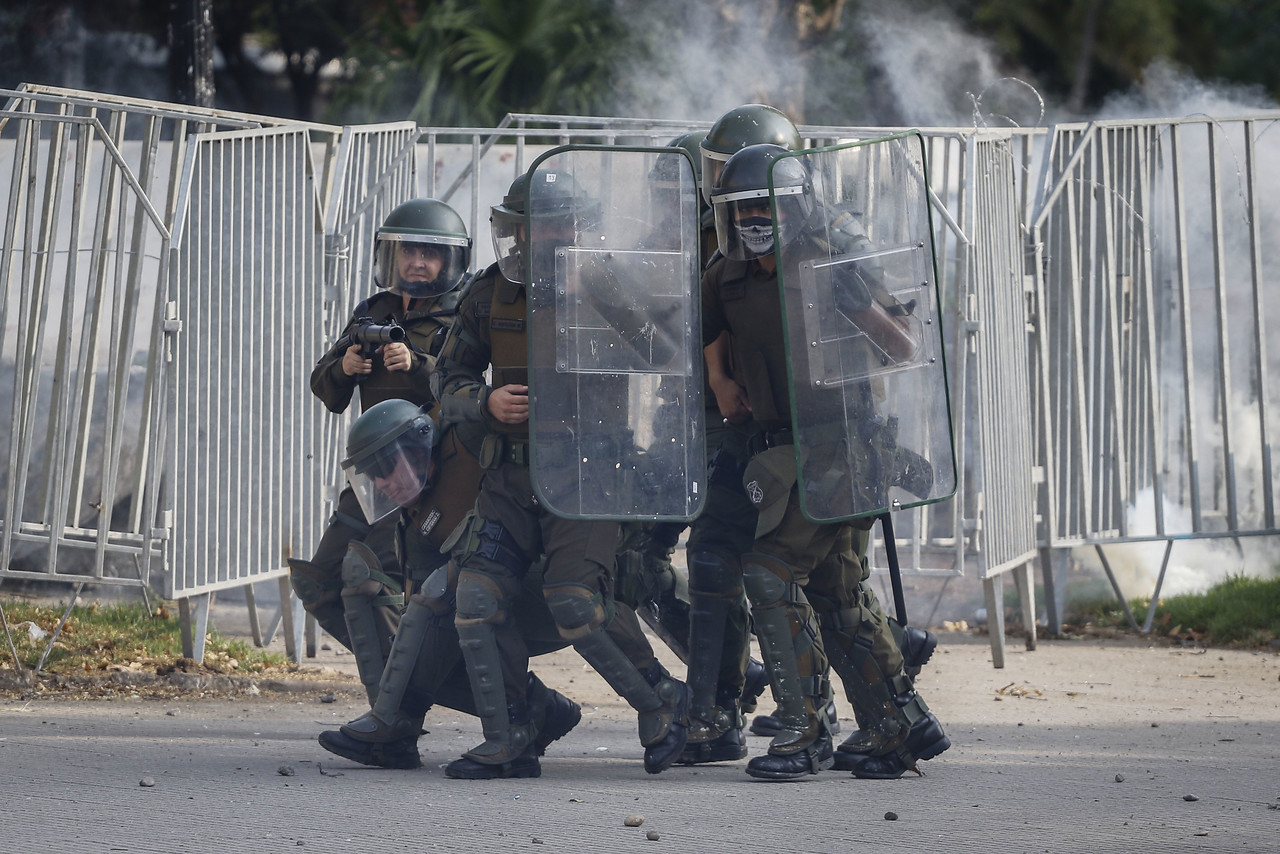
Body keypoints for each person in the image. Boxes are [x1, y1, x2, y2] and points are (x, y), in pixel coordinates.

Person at [431, 169, 691, 780]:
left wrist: (596, 292)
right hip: (510, 478)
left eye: (556, 223)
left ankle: (663, 704)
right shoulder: (489, 292)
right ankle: (513, 731)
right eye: (531, 225)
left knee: (575, 601)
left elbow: (664, 353)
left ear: (580, 225)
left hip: (589, 475)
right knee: (476, 597)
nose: (543, 236)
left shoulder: (608, 278)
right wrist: (485, 403)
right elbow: (446, 377)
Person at [703, 142, 949, 780]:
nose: (754, 217)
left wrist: (858, 304)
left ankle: (806, 729)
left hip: (844, 441)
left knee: (769, 570)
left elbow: (903, 347)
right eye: (742, 207)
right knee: (836, 592)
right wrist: (723, 381)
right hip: (781, 446)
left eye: (766, 204)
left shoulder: (831, 262)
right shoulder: (725, 275)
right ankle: (896, 724)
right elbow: (707, 331)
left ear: (795, 207)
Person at [315, 399, 581, 770]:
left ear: (417, 451)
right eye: (372, 475)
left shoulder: (476, 460)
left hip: (553, 592)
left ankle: (517, 726)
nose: (381, 484)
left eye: (387, 468)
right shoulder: (415, 518)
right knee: (418, 634)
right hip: (494, 600)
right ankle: (399, 727)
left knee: (458, 597)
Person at [288, 198, 470, 703]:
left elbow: (473, 390)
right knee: (321, 581)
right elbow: (324, 389)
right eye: (408, 251)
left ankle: (396, 708)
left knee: (376, 584)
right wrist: (345, 367)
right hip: (373, 476)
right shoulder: (373, 312)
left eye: (430, 253)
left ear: (449, 261)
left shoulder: (463, 314)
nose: (417, 262)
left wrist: (417, 363)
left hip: (428, 479)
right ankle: (414, 684)